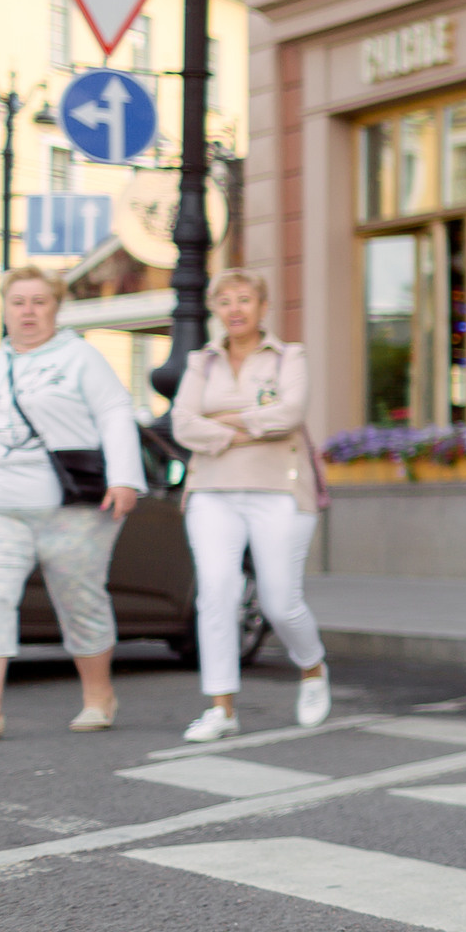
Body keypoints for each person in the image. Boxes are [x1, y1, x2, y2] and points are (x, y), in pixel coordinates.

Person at [0, 267, 145, 739]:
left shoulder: (80, 357)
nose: (27, 311)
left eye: (39, 301)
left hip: (69, 507)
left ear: (56, 307)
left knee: (78, 598)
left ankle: (98, 697)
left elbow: (115, 413)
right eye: (18, 302)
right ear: (5, 308)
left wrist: (124, 478)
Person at [171, 269, 330, 742]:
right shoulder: (201, 362)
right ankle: (221, 708)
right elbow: (182, 423)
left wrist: (220, 421)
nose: (234, 309)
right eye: (224, 301)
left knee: (281, 603)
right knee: (216, 594)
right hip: (211, 491)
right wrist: (249, 426)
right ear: (215, 310)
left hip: (279, 490)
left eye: (244, 299)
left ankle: (313, 667)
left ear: (263, 307)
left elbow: (290, 414)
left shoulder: (289, 357)